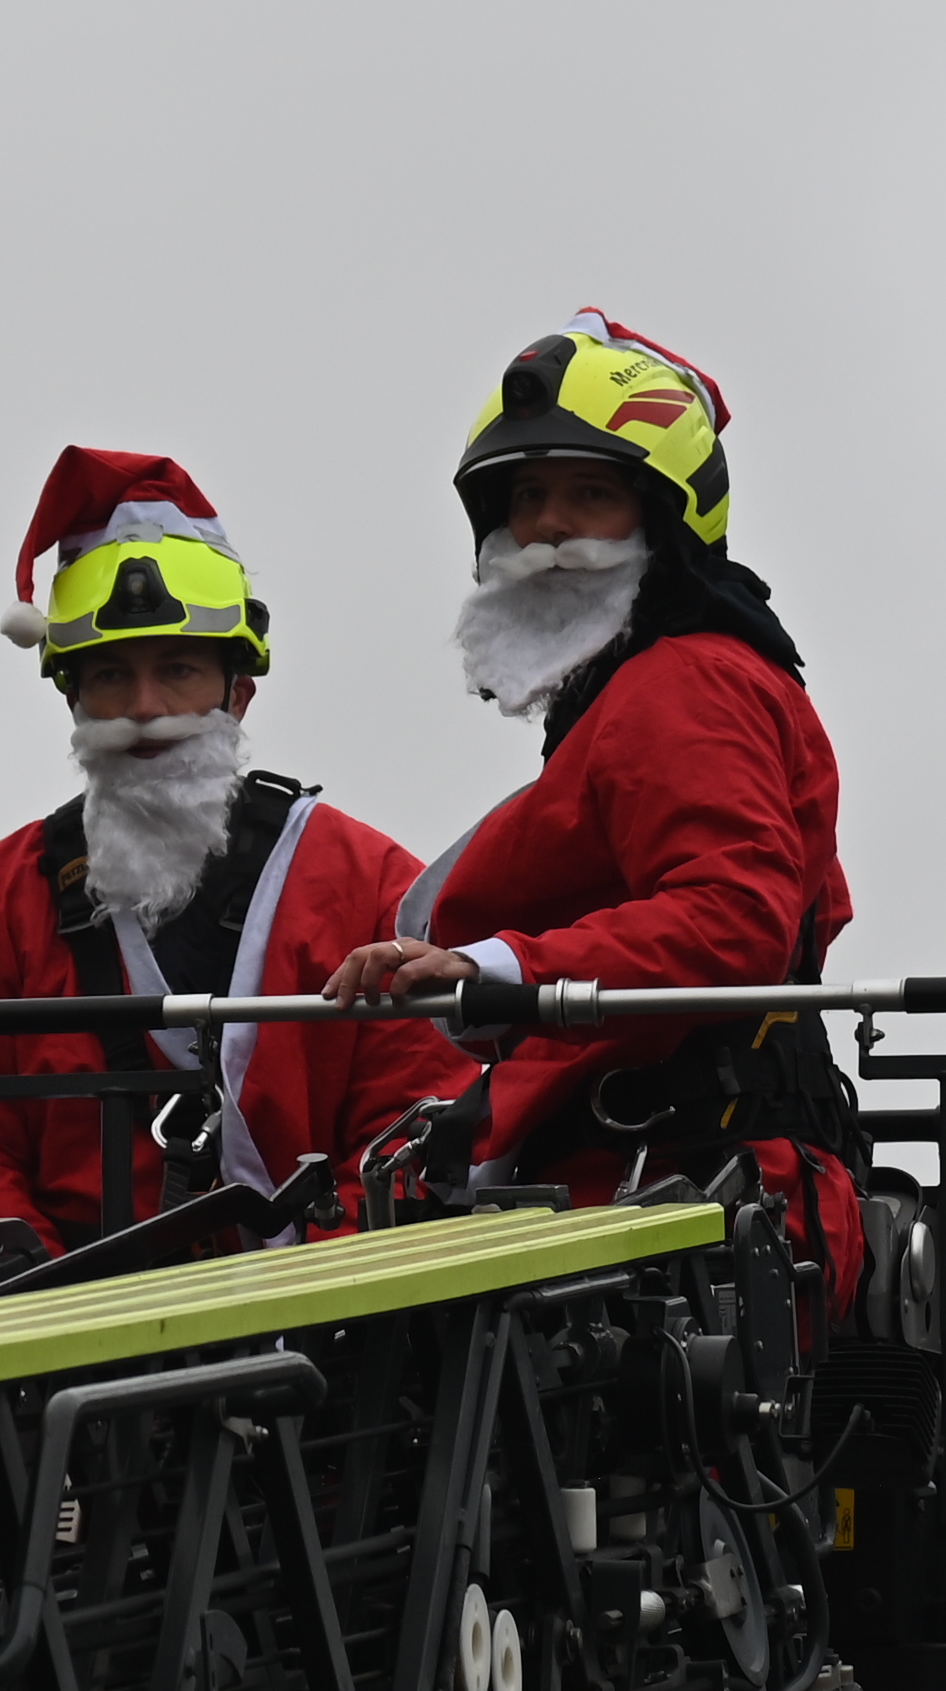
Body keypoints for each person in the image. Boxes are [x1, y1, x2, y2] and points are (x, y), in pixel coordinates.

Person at [321, 315, 868, 1309]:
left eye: (591, 495)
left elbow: (732, 915)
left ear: (663, 518)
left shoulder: (686, 681)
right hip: (641, 1197)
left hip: (685, 1210)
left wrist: (500, 967)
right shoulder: (639, 689)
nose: (546, 530)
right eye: (527, 497)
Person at [0, 448, 470, 1253]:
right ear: (71, 697)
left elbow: (416, 1126)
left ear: (240, 690)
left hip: (330, 1343)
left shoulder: (369, 883)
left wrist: (298, 1304)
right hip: (56, 1337)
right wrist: (56, 1308)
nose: (144, 710)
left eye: (177, 670)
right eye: (109, 676)